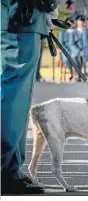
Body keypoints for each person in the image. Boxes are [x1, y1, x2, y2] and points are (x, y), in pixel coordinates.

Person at [1, 0, 58, 194]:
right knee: (14, 97)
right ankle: (4, 171)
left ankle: (11, 168)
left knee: (19, 98)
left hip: (22, 17)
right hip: (20, 16)